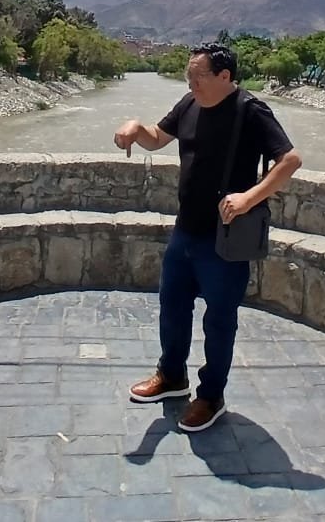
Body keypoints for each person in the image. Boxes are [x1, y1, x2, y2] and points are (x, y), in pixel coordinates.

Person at [113, 42, 302, 432]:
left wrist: (249, 198)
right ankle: (172, 376)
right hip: (185, 230)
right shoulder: (189, 103)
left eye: (197, 75)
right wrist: (136, 128)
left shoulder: (250, 110)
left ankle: (211, 396)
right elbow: (157, 136)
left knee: (219, 320)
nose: (191, 81)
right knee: (172, 305)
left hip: (224, 240)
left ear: (224, 76)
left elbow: (290, 160)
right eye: (188, 74)